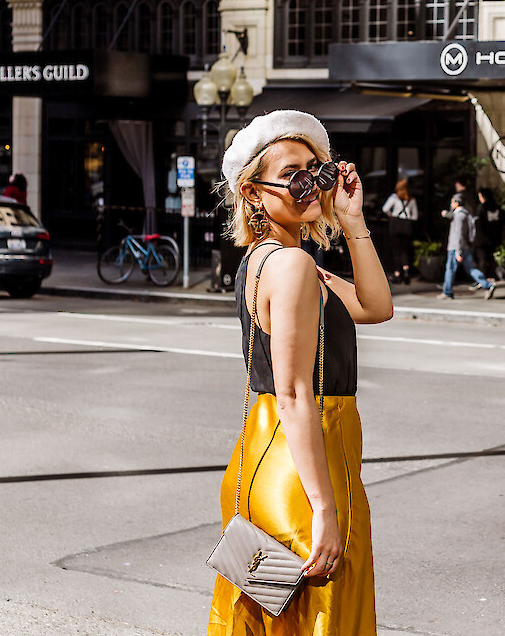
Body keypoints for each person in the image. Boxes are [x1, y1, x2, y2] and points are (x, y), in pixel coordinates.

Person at [210, 110, 392, 636]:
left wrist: (352, 220)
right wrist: (324, 511)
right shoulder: (289, 266)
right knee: (321, 622)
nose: (309, 182)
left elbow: (376, 306)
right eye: (292, 174)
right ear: (253, 193)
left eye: (317, 168)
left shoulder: (277, 260)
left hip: (278, 460)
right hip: (302, 475)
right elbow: (292, 394)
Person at [438, 193, 495, 300]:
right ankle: (488, 285)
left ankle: (447, 292)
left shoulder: (459, 216)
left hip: (456, 247)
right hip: (465, 247)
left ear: (457, 202)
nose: (451, 204)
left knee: (450, 269)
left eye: (452, 202)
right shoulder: (465, 214)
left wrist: (458, 252)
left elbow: (459, 235)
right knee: (470, 269)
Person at [381, 177, 418, 284]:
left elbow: (385, 209)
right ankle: (406, 271)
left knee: (396, 250)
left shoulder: (394, 197)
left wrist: (391, 215)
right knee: (404, 250)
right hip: (406, 225)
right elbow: (415, 216)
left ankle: (397, 273)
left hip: (395, 224)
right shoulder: (411, 199)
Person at [473, 188, 504, 282]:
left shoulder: (481, 208)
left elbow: (478, 224)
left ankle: (482, 280)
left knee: (482, 260)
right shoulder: (497, 208)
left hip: (482, 239)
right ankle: (491, 276)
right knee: (491, 258)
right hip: (494, 238)